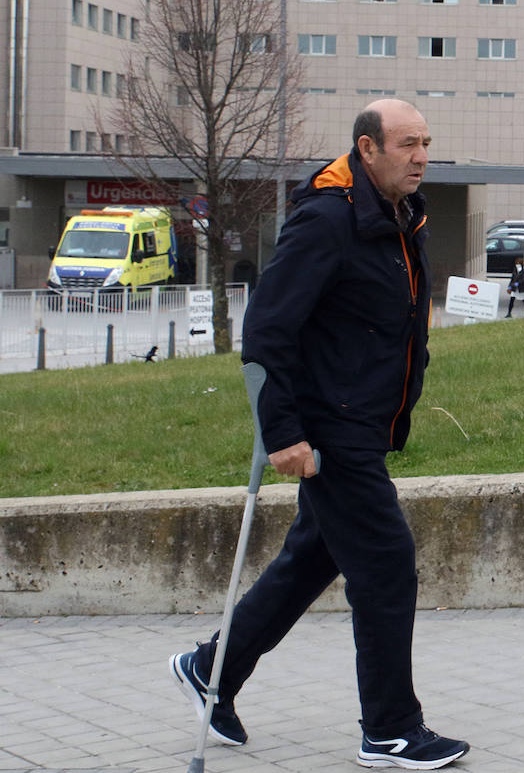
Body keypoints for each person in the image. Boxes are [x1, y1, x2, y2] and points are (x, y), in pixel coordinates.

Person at [169, 99, 469, 770]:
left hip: (363, 420)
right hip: (331, 425)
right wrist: (281, 431)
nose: (421, 155)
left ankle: (209, 667)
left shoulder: (397, 216)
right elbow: (266, 330)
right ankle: (390, 727)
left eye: (426, 143)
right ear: (367, 148)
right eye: (406, 144)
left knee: (312, 557)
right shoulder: (328, 220)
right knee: (386, 561)